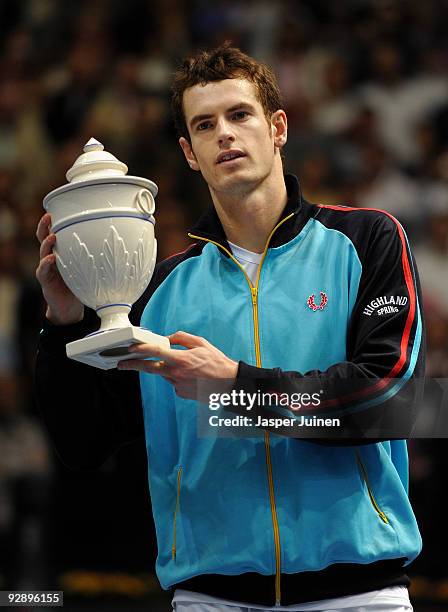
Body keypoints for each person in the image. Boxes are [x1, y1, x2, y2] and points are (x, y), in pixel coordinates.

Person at [35, 44, 425, 612]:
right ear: (188, 153)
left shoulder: (368, 240)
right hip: (209, 597)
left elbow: (389, 400)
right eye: (204, 124)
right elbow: (84, 444)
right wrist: (64, 320)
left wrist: (236, 387)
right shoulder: (155, 291)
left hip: (358, 592)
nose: (225, 133)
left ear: (278, 128)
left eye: (239, 115)